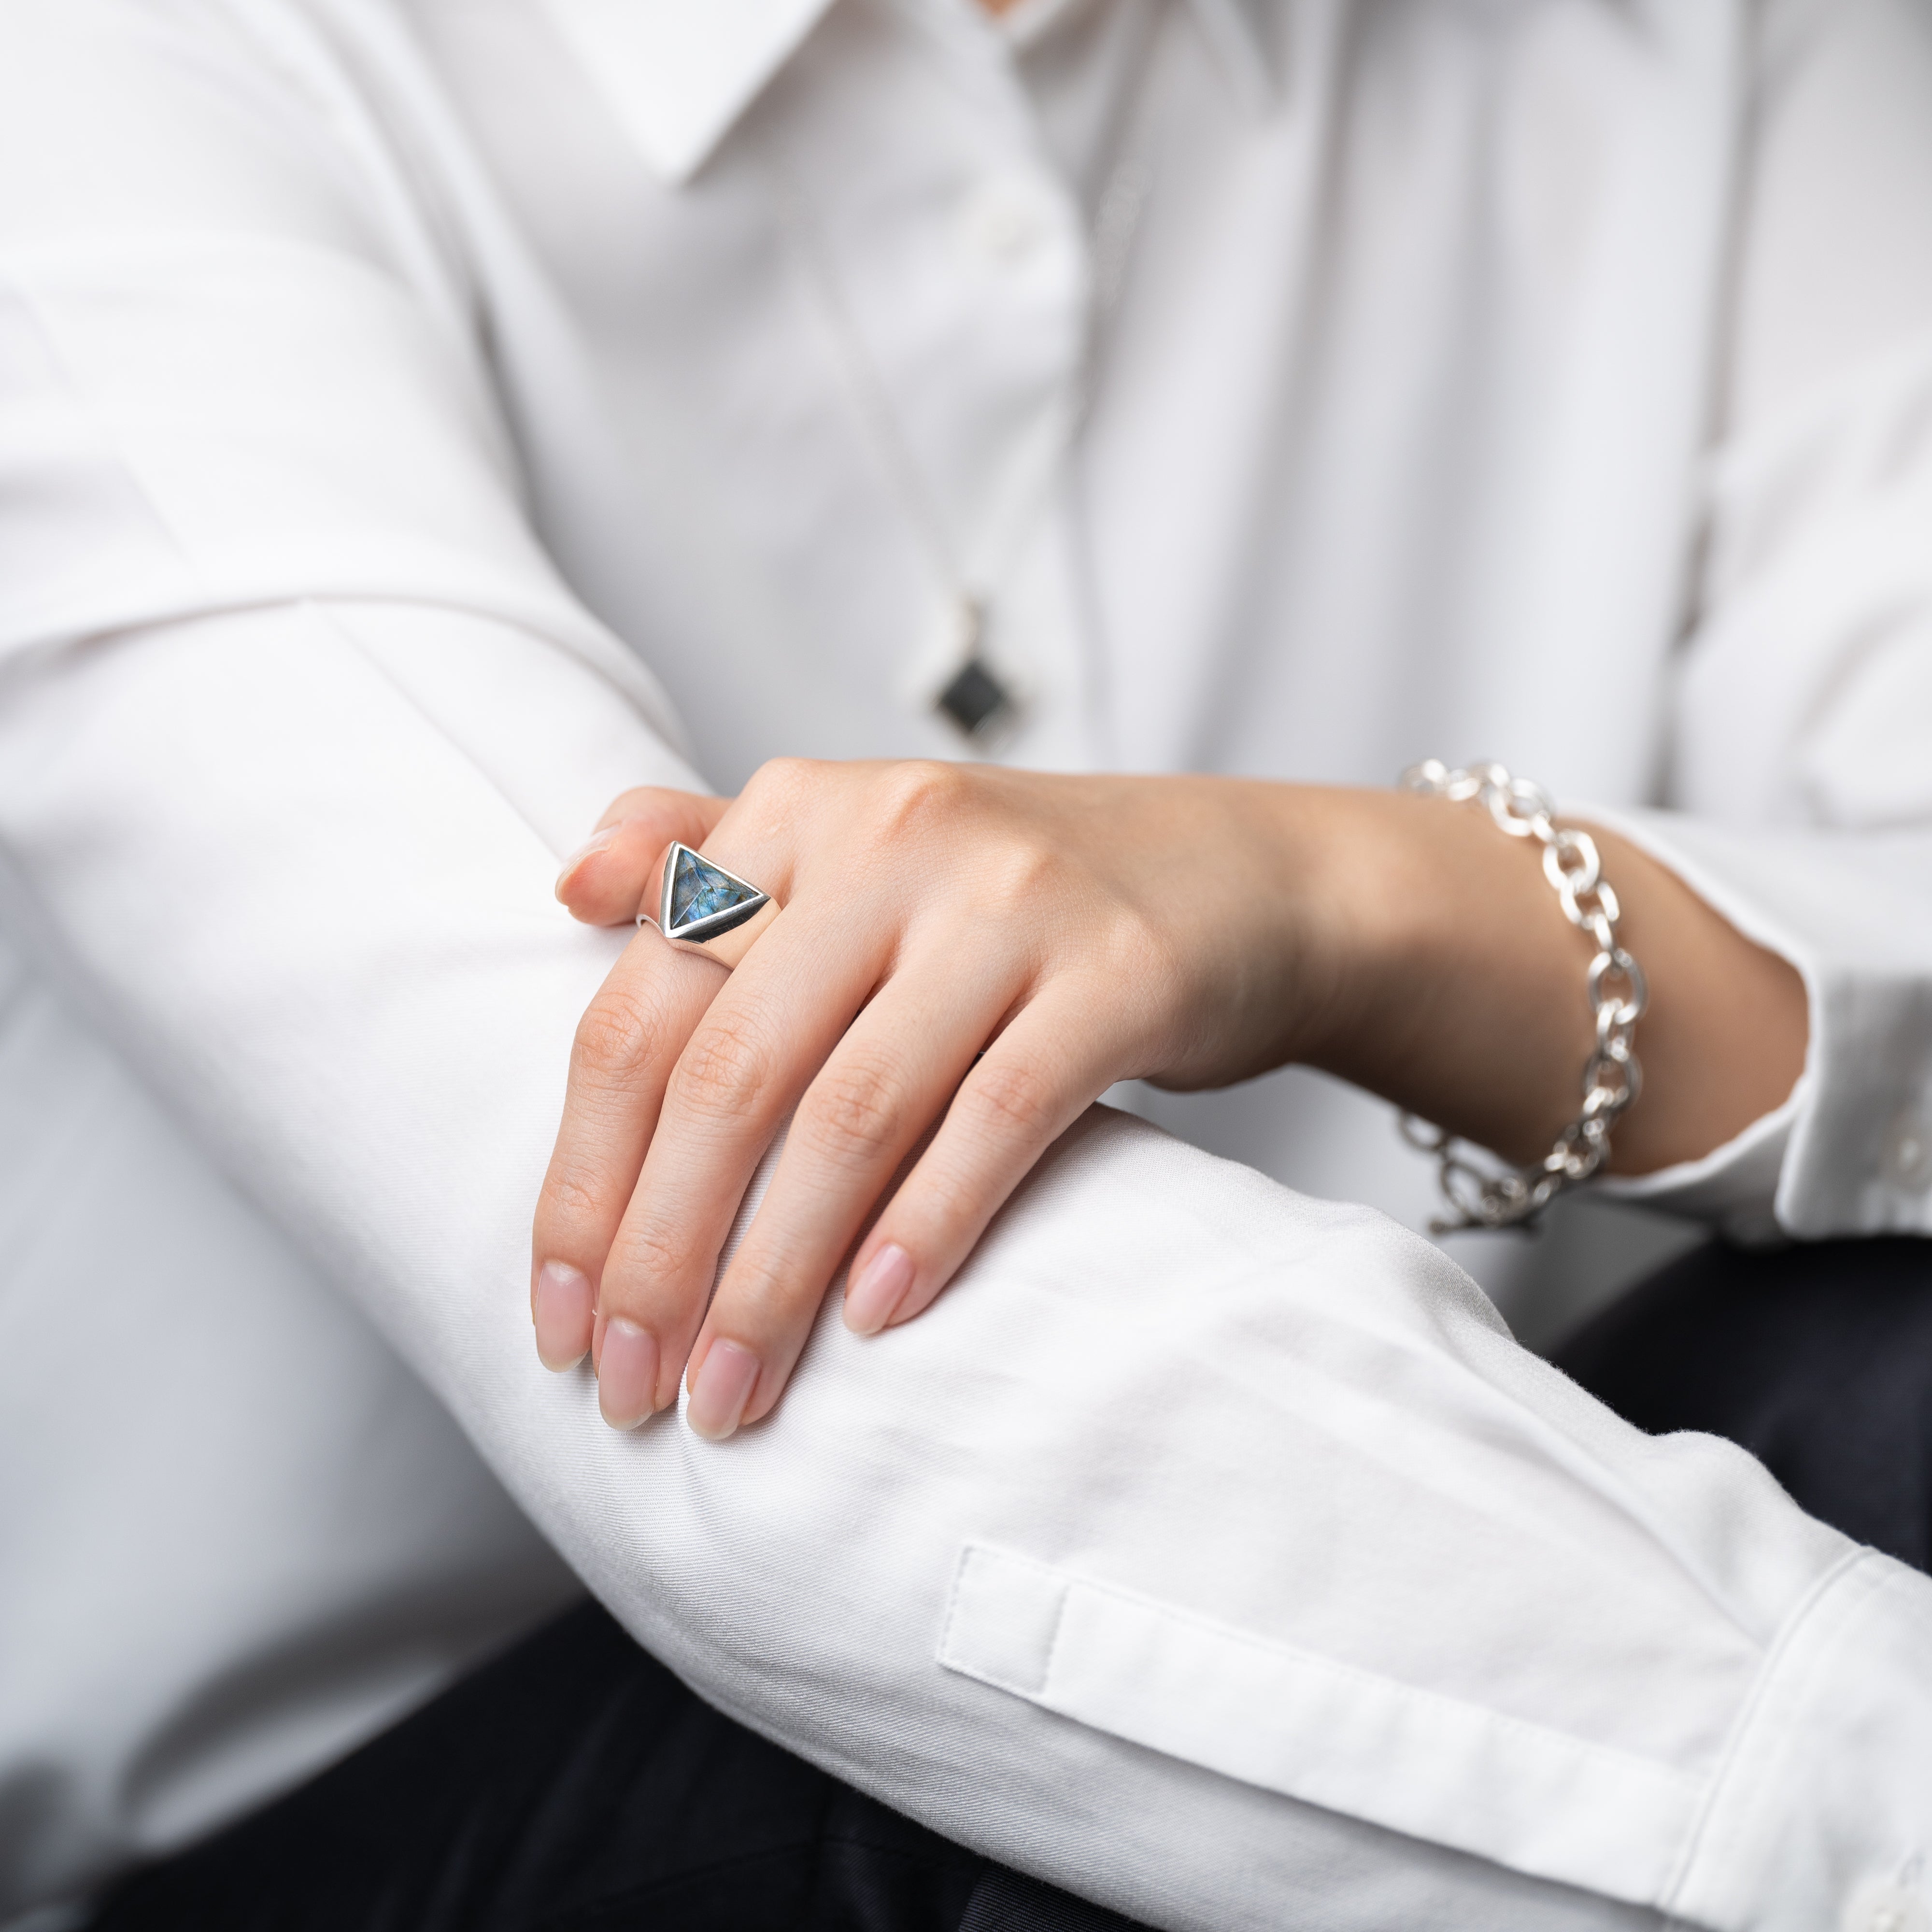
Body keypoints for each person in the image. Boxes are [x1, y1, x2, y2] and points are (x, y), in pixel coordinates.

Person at [2, 0, 1932, 1928]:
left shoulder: (1727, 50)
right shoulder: (126, 79)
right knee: (1048, 1778)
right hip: (352, 1830)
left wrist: (1368, 899)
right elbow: (756, 1347)